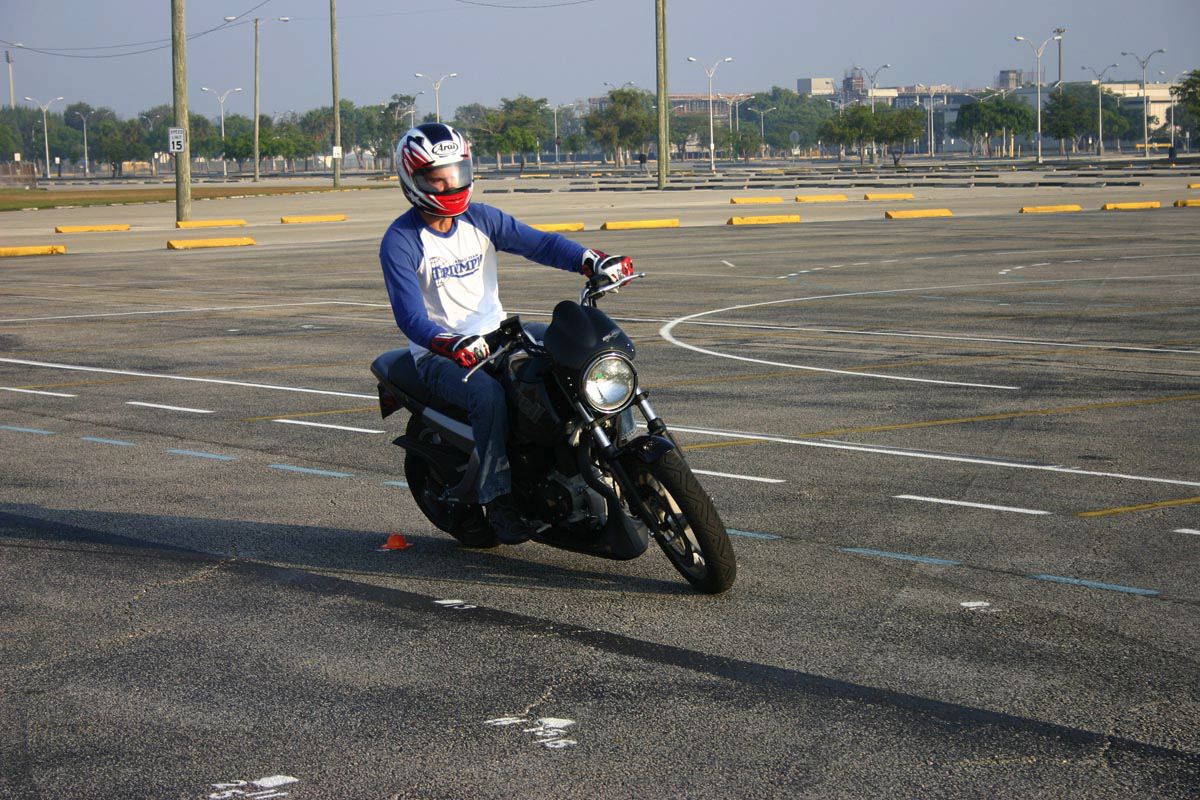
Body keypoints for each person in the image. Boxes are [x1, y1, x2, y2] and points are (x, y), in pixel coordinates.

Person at [379, 123, 634, 544]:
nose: (450, 185)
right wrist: (448, 343)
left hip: (497, 335)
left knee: (580, 356)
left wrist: (591, 260)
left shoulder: (480, 218)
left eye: (457, 173)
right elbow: (409, 316)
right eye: (437, 179)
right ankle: (498, 501)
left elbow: (541, 244)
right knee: (489, 397)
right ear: (412, 179)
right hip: (442, 354)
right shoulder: (402, 241)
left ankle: (621, 451)